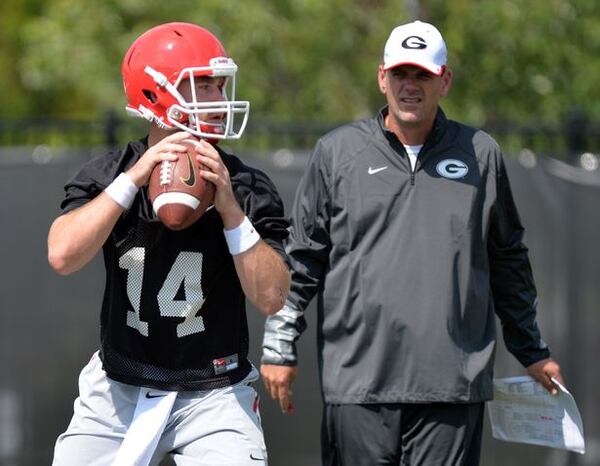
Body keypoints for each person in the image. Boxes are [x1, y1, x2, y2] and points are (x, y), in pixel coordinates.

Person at [260, 20, 564, 466]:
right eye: (401, 73)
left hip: (452, 387)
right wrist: (278, 348)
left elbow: (508, 262)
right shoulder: (337, 153)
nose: (410, 86)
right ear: (382, 77)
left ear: (444, 80)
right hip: (358, 386)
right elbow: (302, 262)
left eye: (422, 74)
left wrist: (532, 351)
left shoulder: (481, 154)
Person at [48, 22, 290, 466]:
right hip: (120, 385)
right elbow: (62, 255)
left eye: (219, 85)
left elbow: (273, 297)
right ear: (156, 94)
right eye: (203, 85)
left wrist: (231, 210)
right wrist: (133, 180)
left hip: (214, 393)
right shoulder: (111, 175)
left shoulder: (247, 186)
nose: (218, 99)